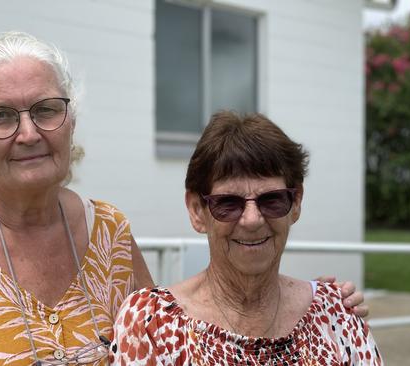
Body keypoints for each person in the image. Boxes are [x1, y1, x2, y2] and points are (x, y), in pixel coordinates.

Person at [0, 32, 367, 365]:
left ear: (70, 120)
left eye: (46, 109)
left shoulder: (108, 232)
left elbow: (177, 333)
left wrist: (321, 307)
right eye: (0, 115)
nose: (27, 133)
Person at [111, 112, 383, 365]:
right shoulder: (151, 324)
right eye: (228, 203)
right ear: (197, 211)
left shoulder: (336, 315)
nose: (252, 220)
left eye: (272, 200)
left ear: (296, 202)